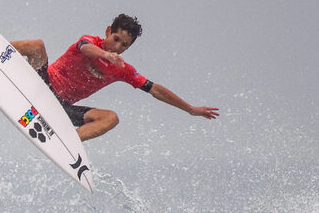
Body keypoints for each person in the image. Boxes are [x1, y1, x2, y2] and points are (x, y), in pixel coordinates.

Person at [12, 14, 219, 142]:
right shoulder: (89, 41)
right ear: (108, 32)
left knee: (111, 118)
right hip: (41, 84)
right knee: (36, 46)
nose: (118, 47)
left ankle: (67, 142)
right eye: (116, 39)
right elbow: (86, 48)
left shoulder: (123, 69)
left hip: (61, 107)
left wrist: (191, 109)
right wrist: (105, 54)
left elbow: (155, 89)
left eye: (124, 45)